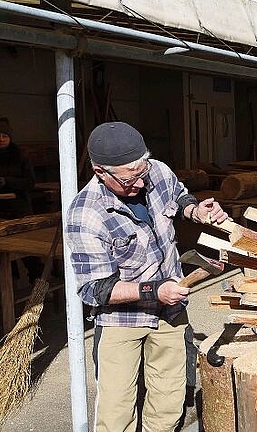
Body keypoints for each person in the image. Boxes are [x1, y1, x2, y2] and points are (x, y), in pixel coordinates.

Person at [65, 121, 228, 431]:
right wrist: (155, 290)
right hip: (120, 322)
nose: (140, 183)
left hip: (170, 311)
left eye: (142, 173)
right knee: (116, 412)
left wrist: (196, 211)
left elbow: (179, 197)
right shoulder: (87, 214)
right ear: (101, 172)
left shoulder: (155, 171)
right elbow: (95, 290)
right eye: (130, 179)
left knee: (169, 399)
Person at [0, 116, 35, 219]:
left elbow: (30, 182)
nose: (1, 139)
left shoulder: (21, 156)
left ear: (9, 137)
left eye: (4, 136)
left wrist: (7, 181)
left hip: (18, 207)